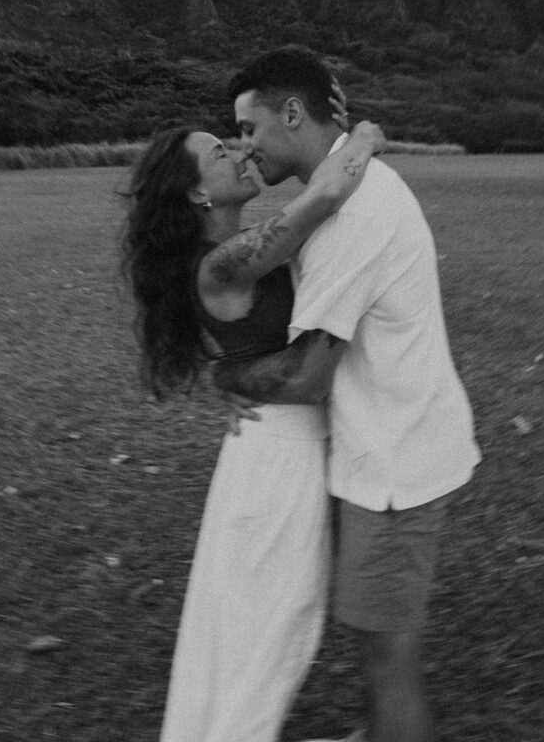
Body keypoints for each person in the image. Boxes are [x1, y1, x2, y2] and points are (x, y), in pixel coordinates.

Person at [219, 46, 481, 742]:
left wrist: (228, 377)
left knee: (386, 660)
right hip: (382, 448)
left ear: (293, 113)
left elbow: (308, 377)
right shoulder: (344, 188)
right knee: (375, 646)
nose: (245, 146)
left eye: (249, 128)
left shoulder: (353, 215)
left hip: (395, 466)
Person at [122, 107, 385, 742]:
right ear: (198, 192)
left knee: (251, 630)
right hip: (274, 464)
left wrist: (226, 376)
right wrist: (367, 137)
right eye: (219, 153)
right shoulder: (221, 265)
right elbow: (325, 193)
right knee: (273, 632)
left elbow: (240, 348)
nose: (240, 151)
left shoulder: (233, 254)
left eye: (235, 139)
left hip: (271, 455)